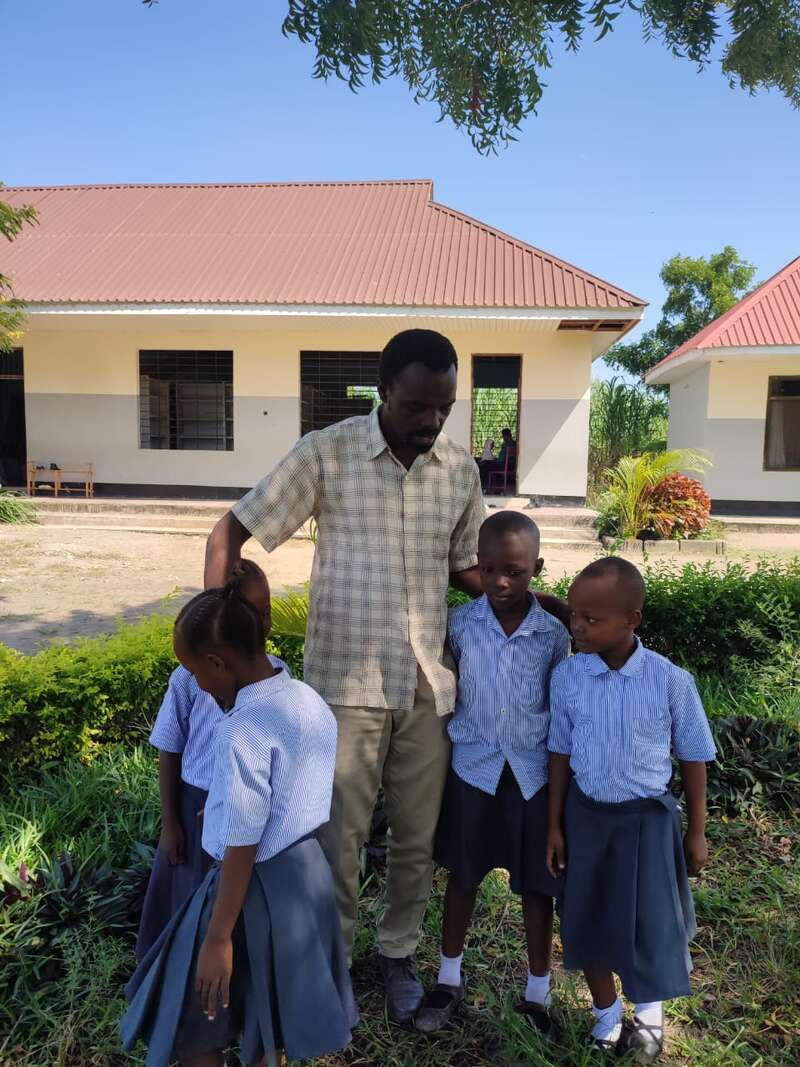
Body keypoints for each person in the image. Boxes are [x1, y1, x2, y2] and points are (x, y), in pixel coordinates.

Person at [203, 328, 567, 1024]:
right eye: (417, 406)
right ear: (384, 391)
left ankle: (398, 953)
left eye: (444, 407)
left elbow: (469, 568)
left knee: (417, 839)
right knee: (338, 839)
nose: (431, 421)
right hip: (344, 686)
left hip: (428, 684)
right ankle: (335, 964)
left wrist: (537, 602)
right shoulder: (326, 453)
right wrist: (215, 647)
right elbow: (231, 531)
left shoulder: (458, 469)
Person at [121, 567, 356, 1067]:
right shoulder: (308, 699)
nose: (198, 685)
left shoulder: (241, 726)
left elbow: (244, 840)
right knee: (268, 1014)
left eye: (197, 673)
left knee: (195, 1017)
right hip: (306, 878)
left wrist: (218, 936)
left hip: (248, 888)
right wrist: (221, 808)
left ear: (217, 663)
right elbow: (295, 791)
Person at [546, 557, 717, 1063]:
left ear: (631, 620)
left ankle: (647, 1019)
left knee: (647, 925)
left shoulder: (669, 680)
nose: (577, 626)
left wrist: (697, 831)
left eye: (591, 619)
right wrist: (555, 824)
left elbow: (694, 757)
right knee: (586, 917)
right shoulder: (569, 677)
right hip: (586, 818)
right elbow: (559, 753)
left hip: (646, 822)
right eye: (573, 615)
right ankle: (605, 1015)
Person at [415, 512, 569, 1036]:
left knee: (536, 888)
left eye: (515, 572)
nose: (501, 582)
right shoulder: (460, 625)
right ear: (476, 566)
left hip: (532, 778)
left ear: (537, 570)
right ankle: (448, 978)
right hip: (473, 772)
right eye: (490, 570)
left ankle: (537, 993)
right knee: (463, 876)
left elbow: (560, 706)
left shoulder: (553, 635)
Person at [136, 559, 289, 961]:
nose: (264, 622)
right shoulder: (191, 677)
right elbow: (169, 747)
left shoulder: (280, 677)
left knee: (235, 905)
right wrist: (172, 823)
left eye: (267, 610)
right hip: (195, 806)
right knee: (189, 903)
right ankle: (177, 975)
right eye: (253, 612)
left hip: (248, 812)